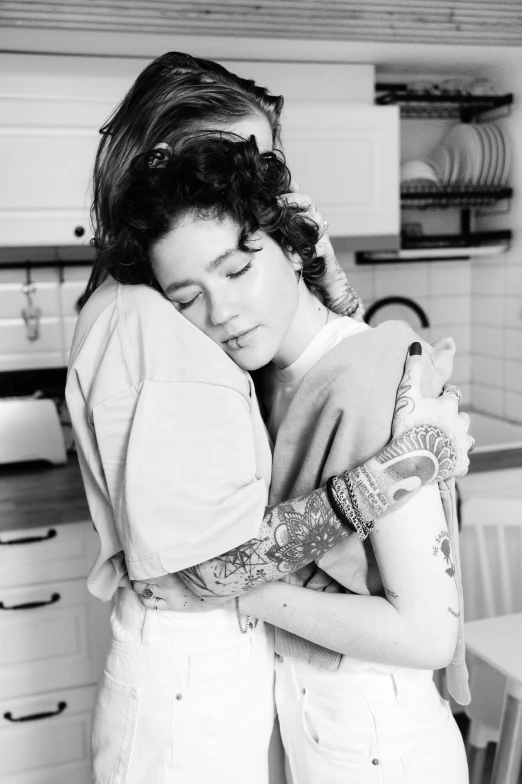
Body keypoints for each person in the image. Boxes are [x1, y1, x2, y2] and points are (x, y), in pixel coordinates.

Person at [66, 53, 471, 784]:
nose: (218, 309)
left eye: (264, 169)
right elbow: (211, 569)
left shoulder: (231, 337)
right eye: (232, 161)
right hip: (207, 683)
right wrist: (389, 475)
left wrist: (380, 348)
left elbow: (425, 629)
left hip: (352, 729)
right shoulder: (152, 322)